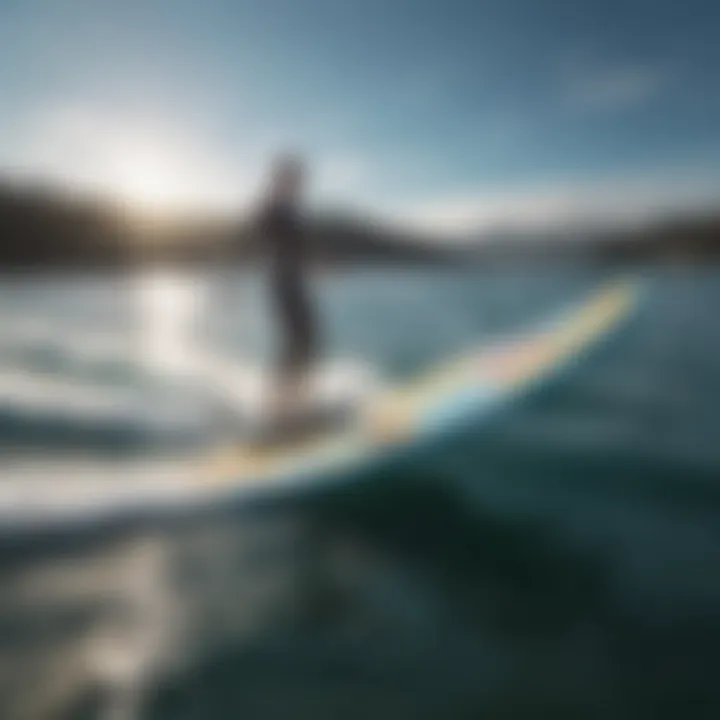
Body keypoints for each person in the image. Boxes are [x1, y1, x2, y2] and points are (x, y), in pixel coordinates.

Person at [255, 154, 319, 429]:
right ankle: (279, 409)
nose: (299, 185)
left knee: (307, 339)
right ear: (282, 180)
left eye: (300, 180)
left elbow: (298, 247)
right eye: (294, 179)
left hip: (292, 281)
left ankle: (296, 403)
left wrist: (316, 263)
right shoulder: (273, 209)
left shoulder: (289, 211)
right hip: (282, 282)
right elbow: (271, 240)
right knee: (298, 341)